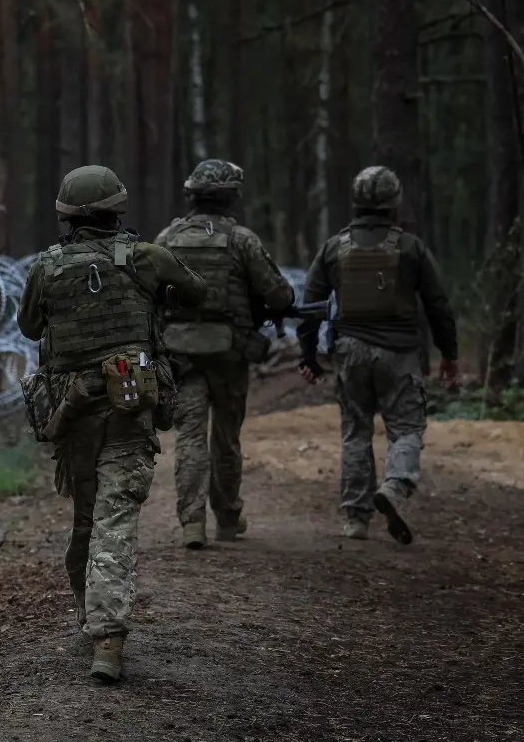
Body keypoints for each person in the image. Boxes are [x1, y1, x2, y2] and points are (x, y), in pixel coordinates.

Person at [17, 165, 206, 683]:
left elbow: (29, 325)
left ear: (65, 215)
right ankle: (108, 639)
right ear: (117, 208)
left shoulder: (49, 266)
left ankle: (91, 620)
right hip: (129, 406)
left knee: (85, 518)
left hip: (72, 411)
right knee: (114, 521)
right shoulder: (145, 258)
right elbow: (198, 292)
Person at [296, 166, 458, 543]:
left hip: (350, 353)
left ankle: (355, 518)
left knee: (355, 432)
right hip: (399, 352)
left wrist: (309, 357)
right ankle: (396, 486)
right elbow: (438, 305)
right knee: (407, 428)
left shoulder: (335, 247)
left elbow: (310, 305)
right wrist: (448, 354)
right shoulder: (410, 247)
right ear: (394, 202)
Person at [154, 160, 294, 549]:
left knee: (190, 437)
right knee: (226, 438)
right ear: (232, 196)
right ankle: (228, 519)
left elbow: (149, 291)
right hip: (229, 353)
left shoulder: (168, 237)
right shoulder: (242, 240)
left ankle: (191, 522)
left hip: (181, 354)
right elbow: (280, 295)